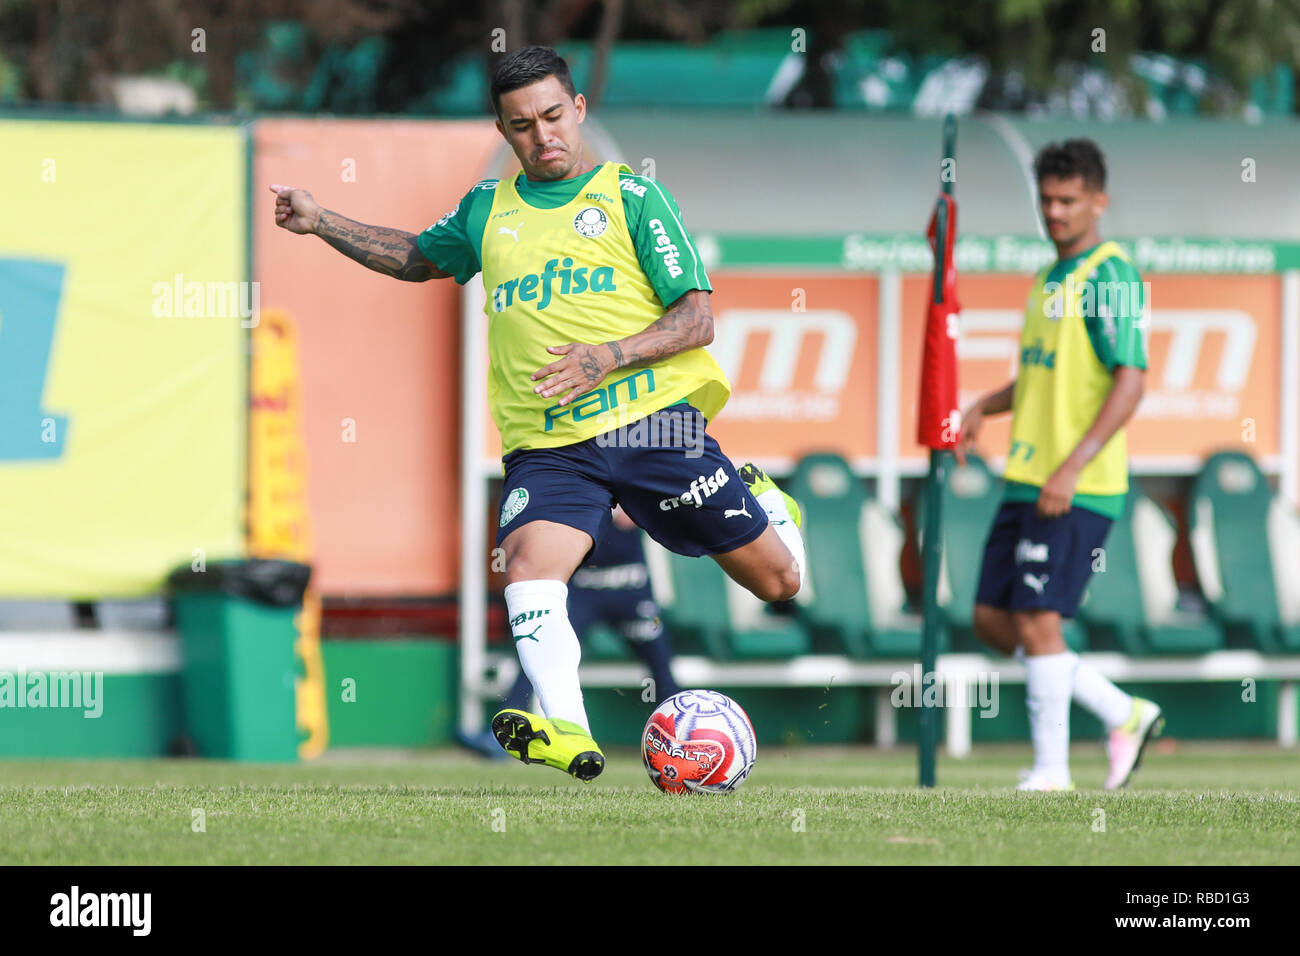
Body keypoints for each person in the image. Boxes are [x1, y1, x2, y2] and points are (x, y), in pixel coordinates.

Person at [270, 45, 804, 782]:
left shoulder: (632, 197)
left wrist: (605, 357)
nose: (541, 135)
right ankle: (568, 734)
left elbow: (697, 320)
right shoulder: (489, 210)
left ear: (578, 109)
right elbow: (418, 257)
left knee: (778, 583)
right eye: (520, 125)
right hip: (551, 445)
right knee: (528, 567)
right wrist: (321, 219)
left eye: (553, 115)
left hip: (655, 425)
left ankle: (770, 507)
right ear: (503, 127)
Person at [956, 138, 1163, 791]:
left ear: (1098, 201)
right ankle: (1119, 709)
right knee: (992, 619)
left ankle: (1051, 772)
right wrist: (984, 406)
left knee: (1040, 621)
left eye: (1069, 200)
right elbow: (1042, 381)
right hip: (1026, 477)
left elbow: (1130, 383)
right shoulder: (1048, 280)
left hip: (1076, 484)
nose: (1055, 212)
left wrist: (1071, 467)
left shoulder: (1111, 273)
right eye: (1046, 200)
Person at [460, 506, 683, 759]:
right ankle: (503, 736)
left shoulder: (628, 474)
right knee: (543, 646)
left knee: (660, 664)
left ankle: (681, 739)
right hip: (583, 590)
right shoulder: (571, 486)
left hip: (631, 586)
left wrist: (639, 507)